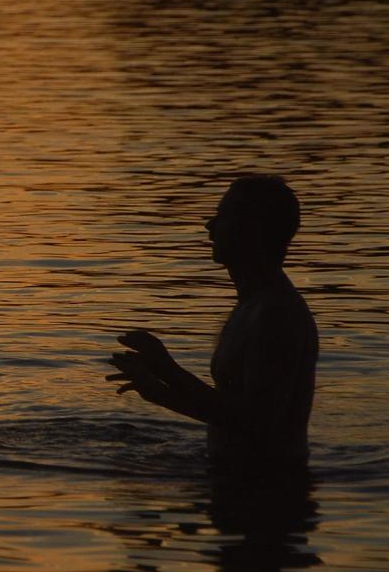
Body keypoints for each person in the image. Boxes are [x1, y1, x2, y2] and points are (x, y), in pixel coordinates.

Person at [107, 175, 318, 466]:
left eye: (222, 216)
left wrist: (168, 371)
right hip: (237, 484)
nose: (209, 226)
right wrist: (159, 390)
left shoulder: (275, 315)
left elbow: (257, 423)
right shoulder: (253, 305)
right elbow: (233, 414)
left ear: (252, 230)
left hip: (271, 490)